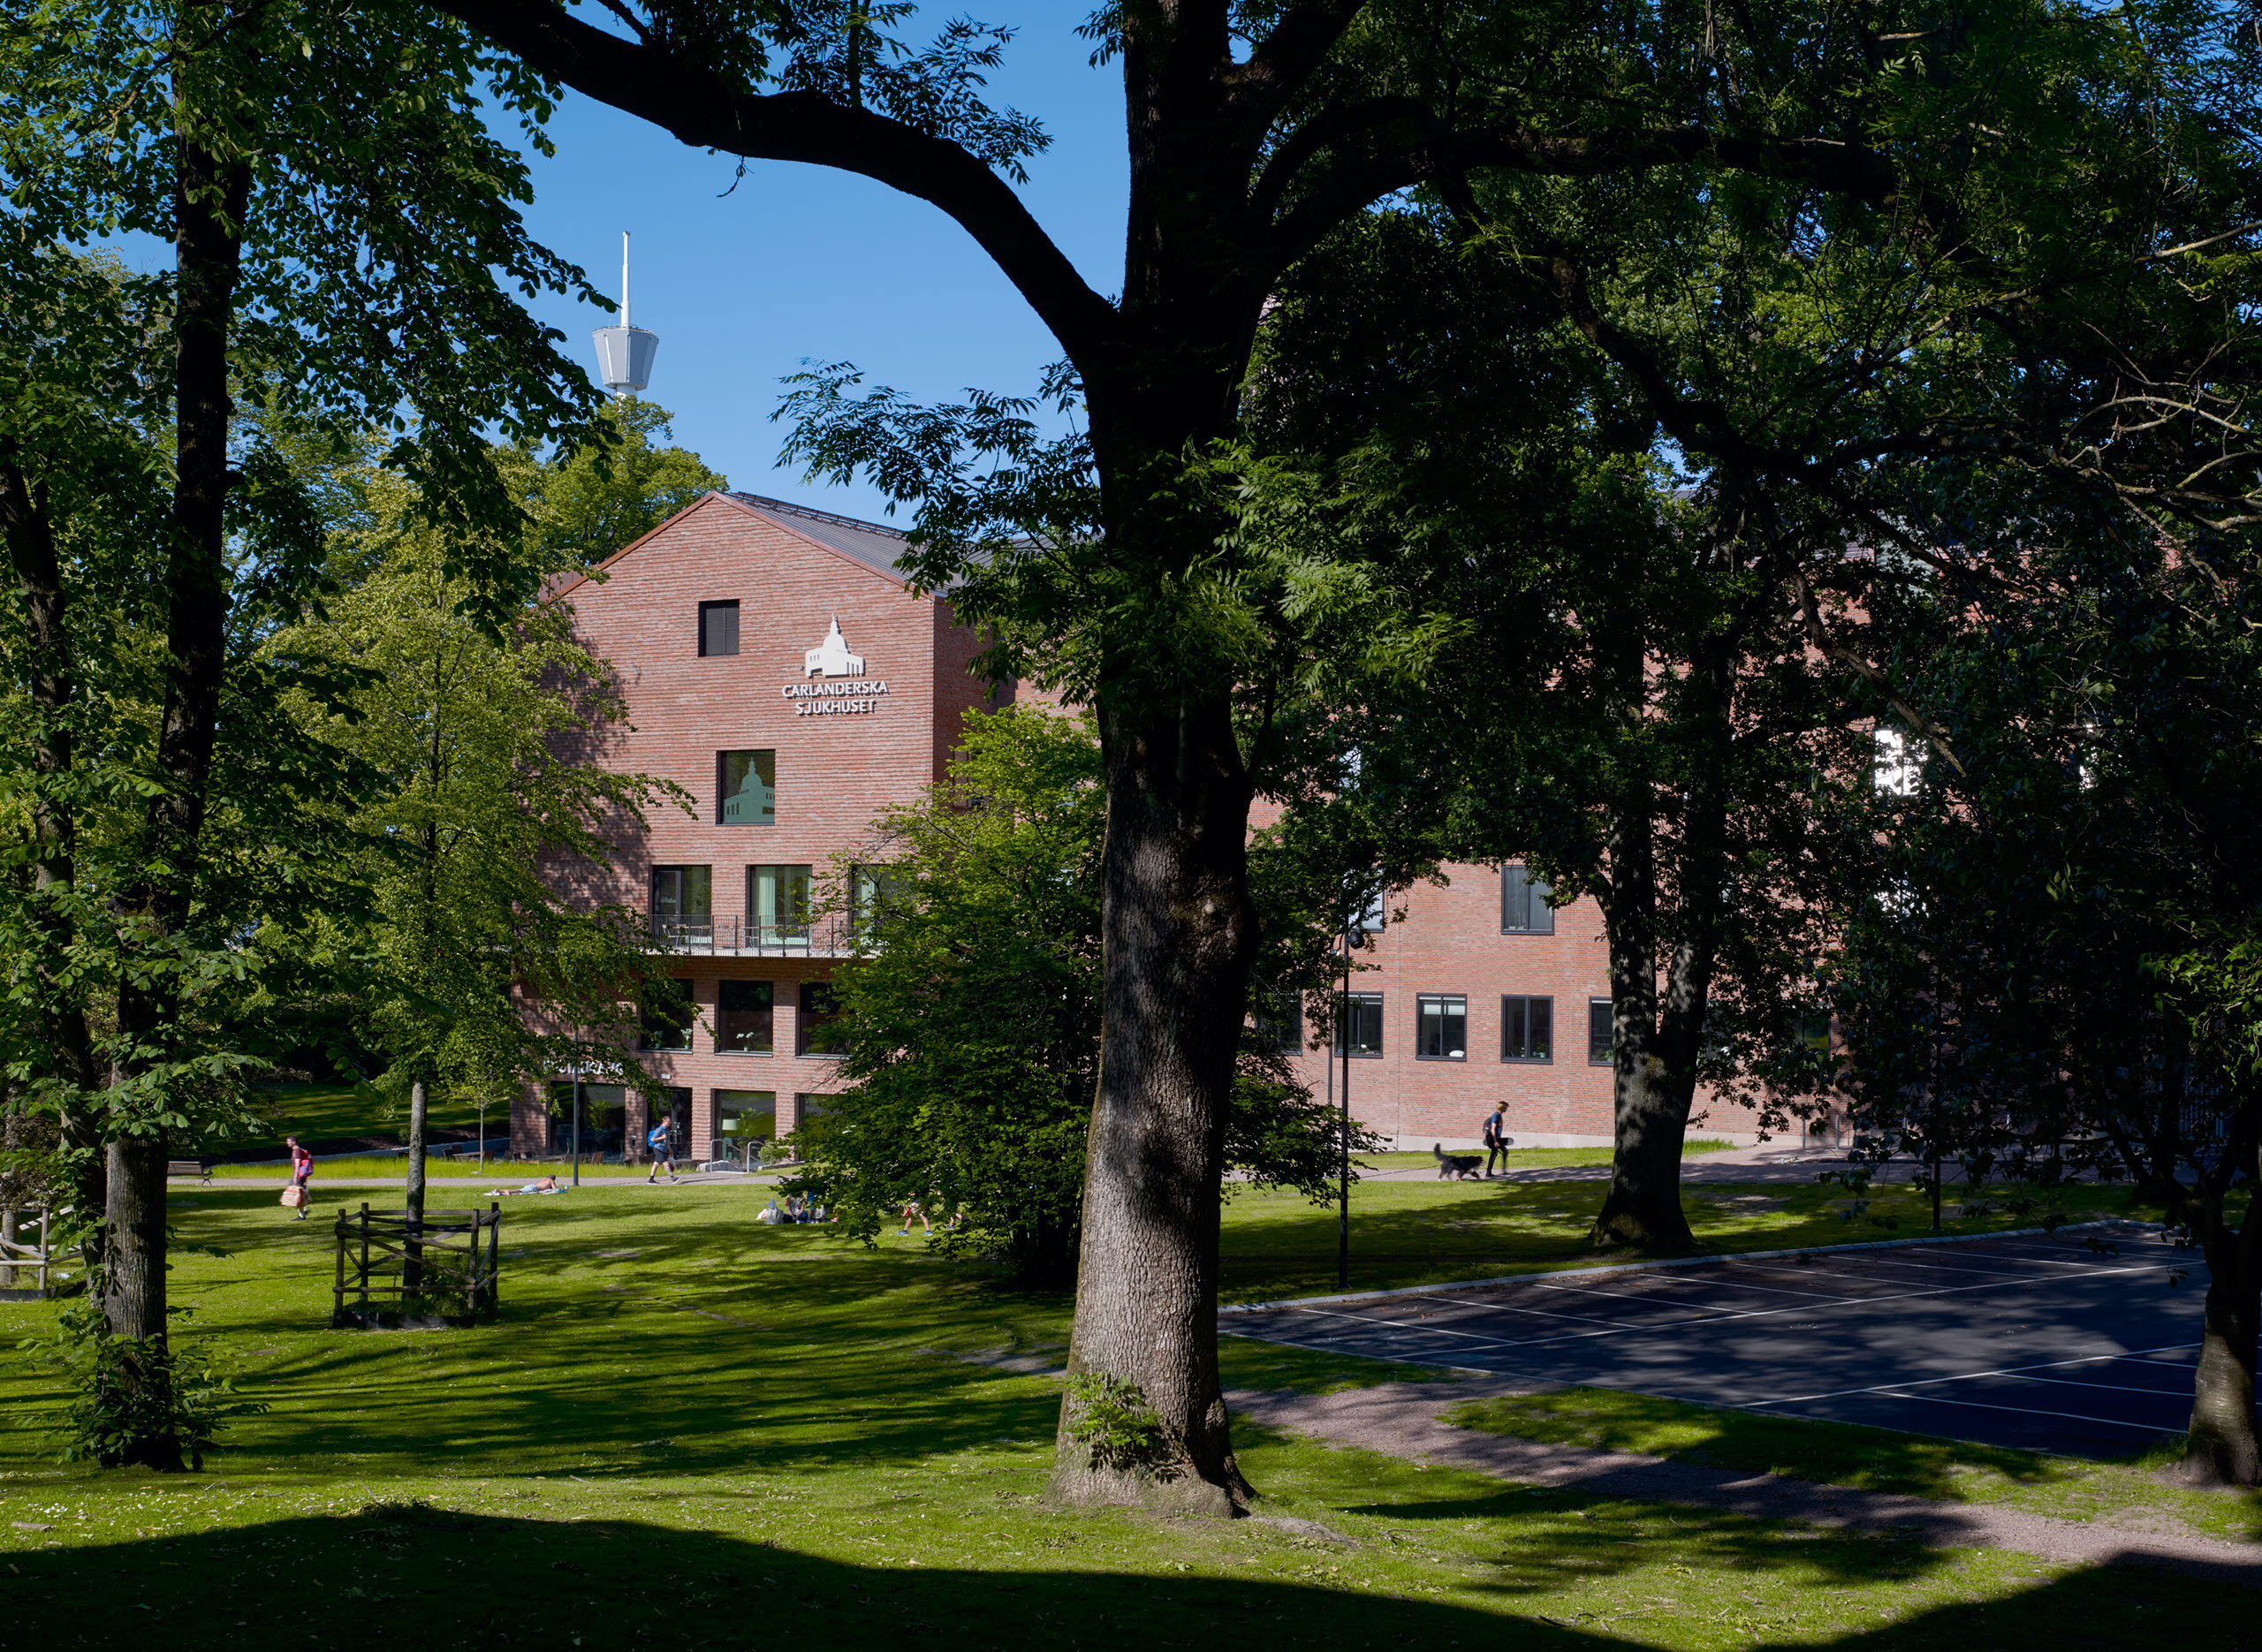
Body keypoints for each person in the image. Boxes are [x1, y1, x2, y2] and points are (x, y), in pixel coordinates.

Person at [646, 1115, 679, 1185]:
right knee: (665, 1163)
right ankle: (673, 1179)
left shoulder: (666, 1130)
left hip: (663, 1149)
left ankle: (651, 1180)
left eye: (670, 1122)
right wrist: (661, 1137)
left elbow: (666, 1142)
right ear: (664, 1121)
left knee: (656, 1164)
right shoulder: (660, 1129)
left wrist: (670, 1150)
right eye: (668, 1122)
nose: (670, 1123)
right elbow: (653, 1139)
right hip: (658, 1149)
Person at [286, 1135, 313, 1220]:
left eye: (289, 1141)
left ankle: (302, 1215)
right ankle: (304, 1209)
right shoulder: (298, 1150)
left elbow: (297, 1164)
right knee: (301, 1194)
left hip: (298, 1176)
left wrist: (295, 1177)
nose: (287, 1143)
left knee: (296, 1196)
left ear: (294, 1142)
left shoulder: (296, 1151)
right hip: (301, 1176)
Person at [1482, 1105, 1511, 1178]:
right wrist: (1495, 1141)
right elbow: (1493, 1129)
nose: (1506, 1109)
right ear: (1502, 1107)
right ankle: (1490, 1172)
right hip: (1493, 1139)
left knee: (1502, 1152)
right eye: (1506, 1107)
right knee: (1496, 1154)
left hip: (1496, 1139)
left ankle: (1492, 1172)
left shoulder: (1498, 1115)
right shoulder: (1496, 1115)